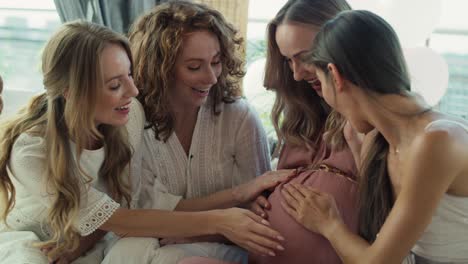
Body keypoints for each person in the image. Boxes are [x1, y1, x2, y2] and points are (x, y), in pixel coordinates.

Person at [0, 21, 286, 264]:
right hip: (39, 245)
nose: (133, 91)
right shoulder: (31, 152)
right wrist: (220, 220)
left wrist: (240, 195)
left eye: (129, 76)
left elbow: (140, 209)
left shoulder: (128, 116)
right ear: (72, 92)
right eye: (114, 85)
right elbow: (117, 219)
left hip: (99, 237)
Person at [101, 1, 294, 263]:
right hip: (147, 244)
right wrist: (227, 206)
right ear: (162, 69)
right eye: (194, 67)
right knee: (129, 251)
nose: (212, 77)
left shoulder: (239, 119)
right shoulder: (132, 118)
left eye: (216, 62)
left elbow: (261, 218)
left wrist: (193, 234)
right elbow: (136, 213)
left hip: (221, 248)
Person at [180, 1, 362, 264]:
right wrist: (260, 203)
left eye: (306, 56)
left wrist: (330, 226)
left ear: (344, 43)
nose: (297, 74)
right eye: (288, 60)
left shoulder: (367, 128)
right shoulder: (302, 120)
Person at [281, 10, 468, 264]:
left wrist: (329, 224)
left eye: (320, 83)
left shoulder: (437, 141)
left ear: (335, 76)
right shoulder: (379, 141)